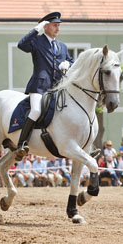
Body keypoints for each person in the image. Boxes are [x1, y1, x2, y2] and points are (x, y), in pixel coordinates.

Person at [15, 12, 74, 161]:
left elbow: (72, 62)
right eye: (54, 25)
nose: (57, 28)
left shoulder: (62, 46)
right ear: (46, 26)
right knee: (35, 110)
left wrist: (69, 64)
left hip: (58, 88)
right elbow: (21, 45)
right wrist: (36, 30)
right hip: (40, 86)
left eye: (58, 25)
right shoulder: (37, 41)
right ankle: (22, 144)